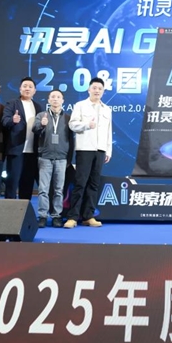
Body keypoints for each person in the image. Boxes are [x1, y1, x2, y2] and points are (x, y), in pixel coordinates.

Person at [64, 77, 112, 229]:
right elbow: (72, 125)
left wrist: (108, 150)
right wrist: (86, 125)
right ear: (89, 89)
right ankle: (72, 217)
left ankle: (88, 216)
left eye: (100, 89)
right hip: (85, 149)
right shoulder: (80, 105)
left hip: (100, 149)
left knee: (94, 184)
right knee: (80, 183)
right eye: (94, 88)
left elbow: (109, 131)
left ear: (103, 91)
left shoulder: (107, 109)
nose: (97, 91)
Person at [32, 90, 74, 228]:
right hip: (45, 157)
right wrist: (42, 125)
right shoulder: (41, 115)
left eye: (58, 97)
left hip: (61, 158)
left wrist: (69, 159)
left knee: (58, 189)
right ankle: (42, 216)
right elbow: (35, 130)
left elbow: (71, 140)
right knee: (43, 189)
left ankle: (56, 216)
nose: (55, 99)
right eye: (53, 97)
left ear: (63, 100)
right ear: (49, 100)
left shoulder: (68, 118)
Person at [2, 77, 43, 200]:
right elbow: (4, 121)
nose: (27, 89)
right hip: (16, 149)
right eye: (25, 86)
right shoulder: (12, 103)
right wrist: (12, 120)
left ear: (35, 90)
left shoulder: (38, 106)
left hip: (32, 151)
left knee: (27, 183)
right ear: (20, 89)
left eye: (30, 87)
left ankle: (24, 208)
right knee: (12, 182)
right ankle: (9, 209)